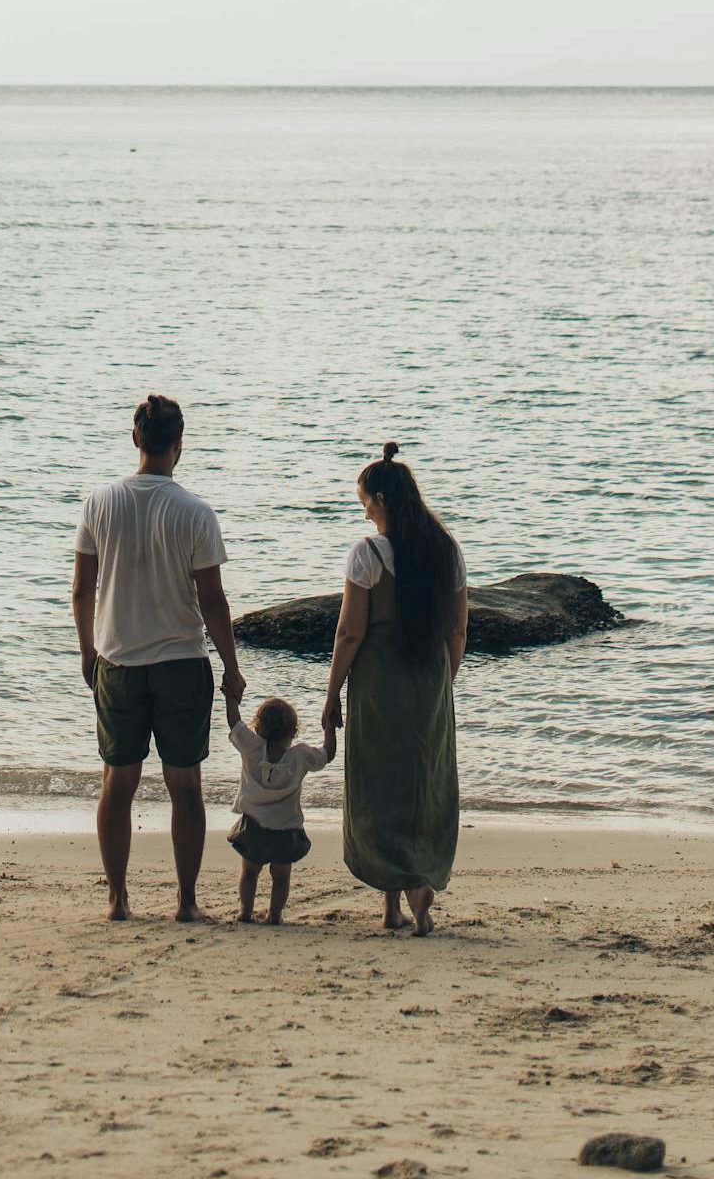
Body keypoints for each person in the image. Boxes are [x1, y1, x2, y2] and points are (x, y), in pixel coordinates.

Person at [72, 394, 245, 923]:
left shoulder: (99, 502)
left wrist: (87, 650)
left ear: (135, 439)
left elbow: (82, 589)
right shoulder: (195, 511)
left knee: (117, 783)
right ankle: (186, 901)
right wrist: (232, 667)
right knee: (185, 785)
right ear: (178, 445)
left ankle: (117, 900)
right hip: (181, 663)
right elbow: (213, 601)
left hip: (118, 660)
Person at [322, 442, 468, 936]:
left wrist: (331, 693)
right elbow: (458, 630)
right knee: (424, 782)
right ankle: (417, 891)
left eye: (364, 502)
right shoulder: (446, 550)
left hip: (378, 683)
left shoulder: (367, 554)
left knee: (380, 784)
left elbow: (349, 632)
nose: (363, 511)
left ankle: (393, 903)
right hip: (430, 679)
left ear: (381, 499)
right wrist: (444, 680)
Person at [224, 693, 334, 925]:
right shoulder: (301, 756)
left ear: (257, 727)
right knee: (281, 877)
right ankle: (274, 914)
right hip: (286, 828)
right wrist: (329, 724)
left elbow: (234, 723)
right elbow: (328, 753)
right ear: (293, 731)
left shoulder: (252, 749)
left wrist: (231, 696)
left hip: (253, 826)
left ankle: (245, 911)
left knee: (249, 872)